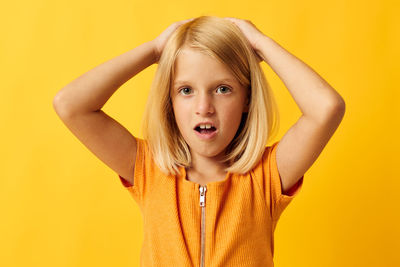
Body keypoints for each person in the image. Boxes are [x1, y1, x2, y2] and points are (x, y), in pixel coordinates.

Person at [53, 16, 345, 266]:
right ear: (169, 101)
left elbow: (326, 108)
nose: (204, 106)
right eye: (186, 90)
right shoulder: (146, 168)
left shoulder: (268, 175)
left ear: (247, 99)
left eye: (222, 89)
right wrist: (154, 50)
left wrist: (261, 44)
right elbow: (70, 104)